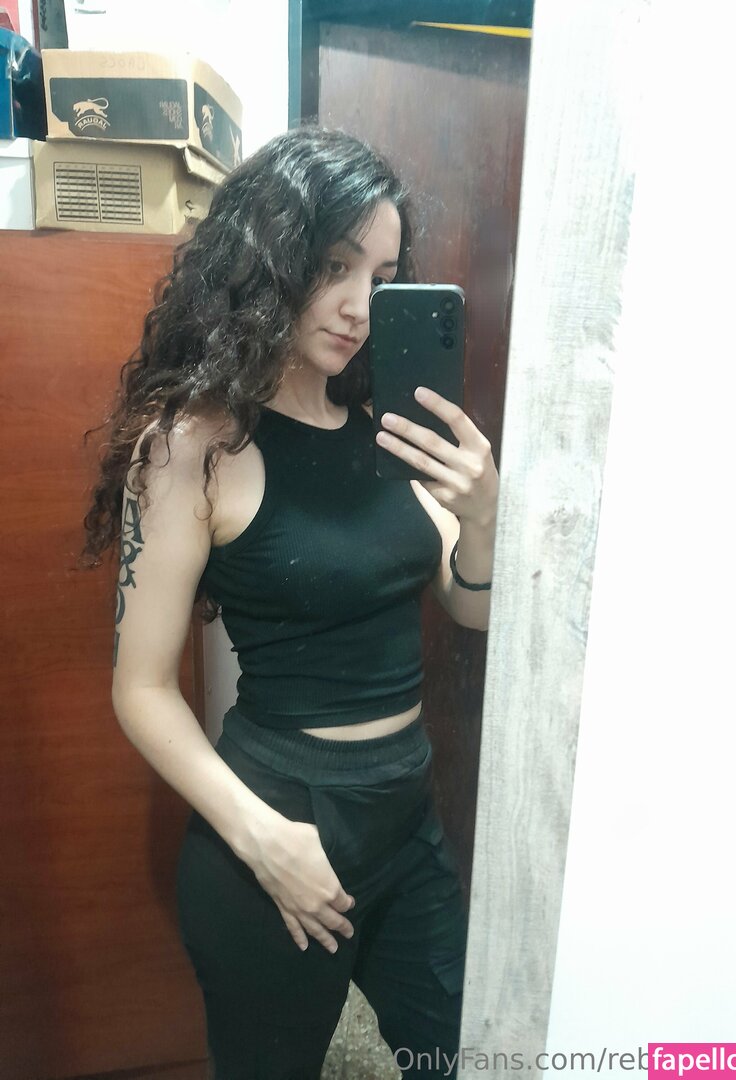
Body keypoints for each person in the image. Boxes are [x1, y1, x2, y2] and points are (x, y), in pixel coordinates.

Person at [83, 127, 499, 1079]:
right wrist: (263, 840)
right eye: (335, 265)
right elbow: (141, 688)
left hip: (406, 813)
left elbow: (472, 609)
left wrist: (482, 515)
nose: (358, 306)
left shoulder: (388, 432)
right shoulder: (194, 447)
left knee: (463, 1051)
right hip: (279, 819)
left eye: (381, 277)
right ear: (267, 257)